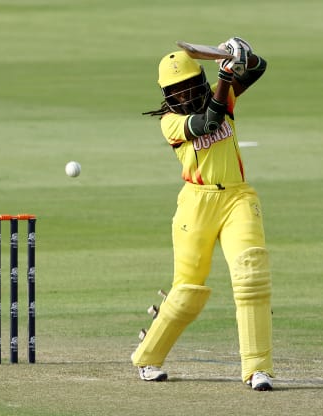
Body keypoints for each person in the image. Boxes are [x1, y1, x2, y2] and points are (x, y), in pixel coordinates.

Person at [131, 37, 274, 391]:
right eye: (177, 91)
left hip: (237, 197)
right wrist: (225, 76)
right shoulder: (171, 122)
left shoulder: (219, 91)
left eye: (190, 86)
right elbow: (209, 122)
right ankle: (148, 358)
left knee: (251, 274)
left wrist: (237, 54)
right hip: (195, 205)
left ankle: (258, 369)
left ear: (199, 81)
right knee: (188, 290)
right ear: (168, 95)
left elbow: (259, 67)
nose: (185, 95)